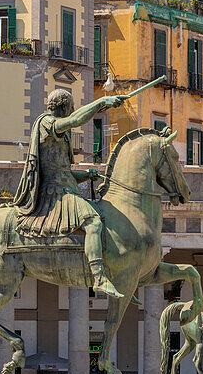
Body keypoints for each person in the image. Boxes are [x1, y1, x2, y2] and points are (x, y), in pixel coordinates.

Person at [12, 87, 127, 299]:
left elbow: (65, 173)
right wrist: (102, 101)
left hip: (66, 187)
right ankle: (99, 277)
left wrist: (86, 175)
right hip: (56, 194)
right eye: (71, 107)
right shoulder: (47, 123)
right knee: (93, 221)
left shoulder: (61, 135)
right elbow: (75, 121)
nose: (73, 110)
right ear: (64, 107)